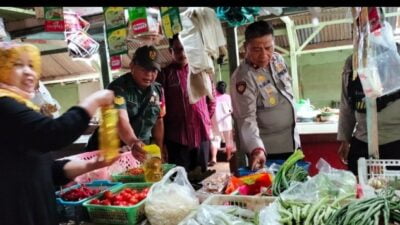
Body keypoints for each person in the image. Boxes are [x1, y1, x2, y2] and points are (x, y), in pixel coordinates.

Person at [0, 42, 120, 225]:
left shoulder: (21, 108)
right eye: (17, 64)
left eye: (31, 66)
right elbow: (53, 134)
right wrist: (93, 101)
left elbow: (47, 169)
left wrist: (94, 164)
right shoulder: (4, 106)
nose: (28, 72)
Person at [230, 20, 301, 171]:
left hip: (293, 143)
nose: (264, 55)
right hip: (269, 153)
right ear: (245, 48)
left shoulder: (277, 60)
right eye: (256, 49)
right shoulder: (243, 78)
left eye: (268, 47)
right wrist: (257, 150)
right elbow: (246, 119)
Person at [86, 45, 165, 160]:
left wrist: (159, 150)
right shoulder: (118, 88)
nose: (149, 74)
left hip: (140, 152)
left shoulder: (158, 90)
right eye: (144, 68)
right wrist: (133, 142)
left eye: (153, 70)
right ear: (132, 66)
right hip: (111, 152)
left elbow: (159, 120)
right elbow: (121, 119)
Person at [158, 34, 216, 174]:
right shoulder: (164, 75)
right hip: (177, 138)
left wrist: (204, 119)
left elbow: (212, 100)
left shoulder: (201, 71)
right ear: (170, 51)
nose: (182, 53)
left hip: (201, 134)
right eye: (177, 49)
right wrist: (162, 142)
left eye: (185, 49)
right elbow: (160, 109)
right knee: (180, 181)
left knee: (202, 178)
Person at [337, 51, 400, 175]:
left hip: (396, 141)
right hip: (362, 142)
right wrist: (345, 140)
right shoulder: (352, 62)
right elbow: (347, 105)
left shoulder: (396, 54)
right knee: (361, 189)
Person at [209, 80, 235, 166]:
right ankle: (228, 157)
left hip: (215, 121)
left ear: (216, 88)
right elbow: (231, 110)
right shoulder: (228, 97)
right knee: (228, 140)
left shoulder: (212, 97)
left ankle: (214, 158)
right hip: (226, 121)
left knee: (215, 139)